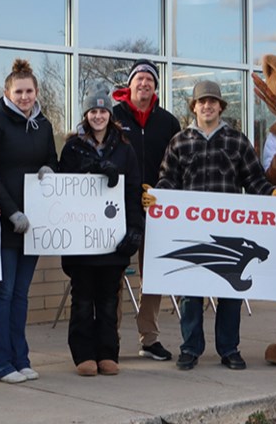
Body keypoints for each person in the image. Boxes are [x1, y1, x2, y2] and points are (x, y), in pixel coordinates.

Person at [155, 80, 276, 371]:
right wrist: (155, 195)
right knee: (190, 292)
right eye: (201, 102)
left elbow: (255, 180)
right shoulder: (180, 141)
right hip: (191, 229)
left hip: (231, 232)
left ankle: (229, 349)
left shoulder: (237, 140)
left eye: (212, 101)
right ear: (193, 107)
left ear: (221, 106)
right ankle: (190, 348)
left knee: (231, 292)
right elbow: (168, 179)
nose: (207, 106)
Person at [0, 59, 58, 384]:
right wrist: (11, 212)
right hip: (5, 222)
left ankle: (20, 358)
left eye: (29, 91)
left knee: (21, 294)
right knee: (3, 293)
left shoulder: (44, 125)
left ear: (36, 92)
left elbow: (51, 159)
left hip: (34, 224)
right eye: (19, 91)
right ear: (8, 92)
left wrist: (51, 170)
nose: (25, 97)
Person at [58, 90, 143, 376]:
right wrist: (88, 170)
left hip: (112, 240)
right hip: (81, 241)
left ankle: (108, 352)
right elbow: (61, 191)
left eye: (103, 111)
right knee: (82, 298)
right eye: (93, 112)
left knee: (109, 299)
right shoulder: (72, 148)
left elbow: (132, 191)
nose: (98, 116)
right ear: (86, 115)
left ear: (110, 115)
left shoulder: (125, 149)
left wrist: (135, 230)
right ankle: (83, 353)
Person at [112, 59, 181, 361]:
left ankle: (149, 337)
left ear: (155, 86)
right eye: (139, 79)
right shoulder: (113, 116)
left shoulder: (167, 122)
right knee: (113, 273)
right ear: (130, 84)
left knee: (153, 275)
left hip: (157, 208)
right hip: (118, 209)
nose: (144, 84)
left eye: (149, 80)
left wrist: (165, 189)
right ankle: (109, 338)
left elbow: (177, 163)